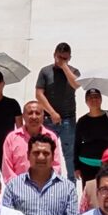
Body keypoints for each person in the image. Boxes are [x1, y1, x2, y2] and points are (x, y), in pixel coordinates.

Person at [33, 41, 80, 169]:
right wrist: (52, 113)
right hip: (48, 119)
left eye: (65, 58)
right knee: (47, 153)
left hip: (68, 120)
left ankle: (71, 184)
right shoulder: (45, 71)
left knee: (70, 155)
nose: (61, 60)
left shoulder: (74, 71)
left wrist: (64, 66)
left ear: (69, 57)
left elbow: (75, 84)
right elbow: (39, 94)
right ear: (54, 55)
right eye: (60, 57)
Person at [72, 88, 108, 182]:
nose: (94, 100)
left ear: (101, 99)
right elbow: (77, 144)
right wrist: (76, 167)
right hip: (86, 163)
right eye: (90, 98)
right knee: (90, 194)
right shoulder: (82, 121)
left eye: (96, 97)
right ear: (86, 102)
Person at [1, 101, 61, 183]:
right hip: (18, 190)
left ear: (43, 116)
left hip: (45, 189)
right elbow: (7, 169)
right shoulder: (11, 138)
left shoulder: (51, 137)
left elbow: (56, 165)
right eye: (30, 113)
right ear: (23, 116)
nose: (34, 116)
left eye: (37, 113)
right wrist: (19, 187)